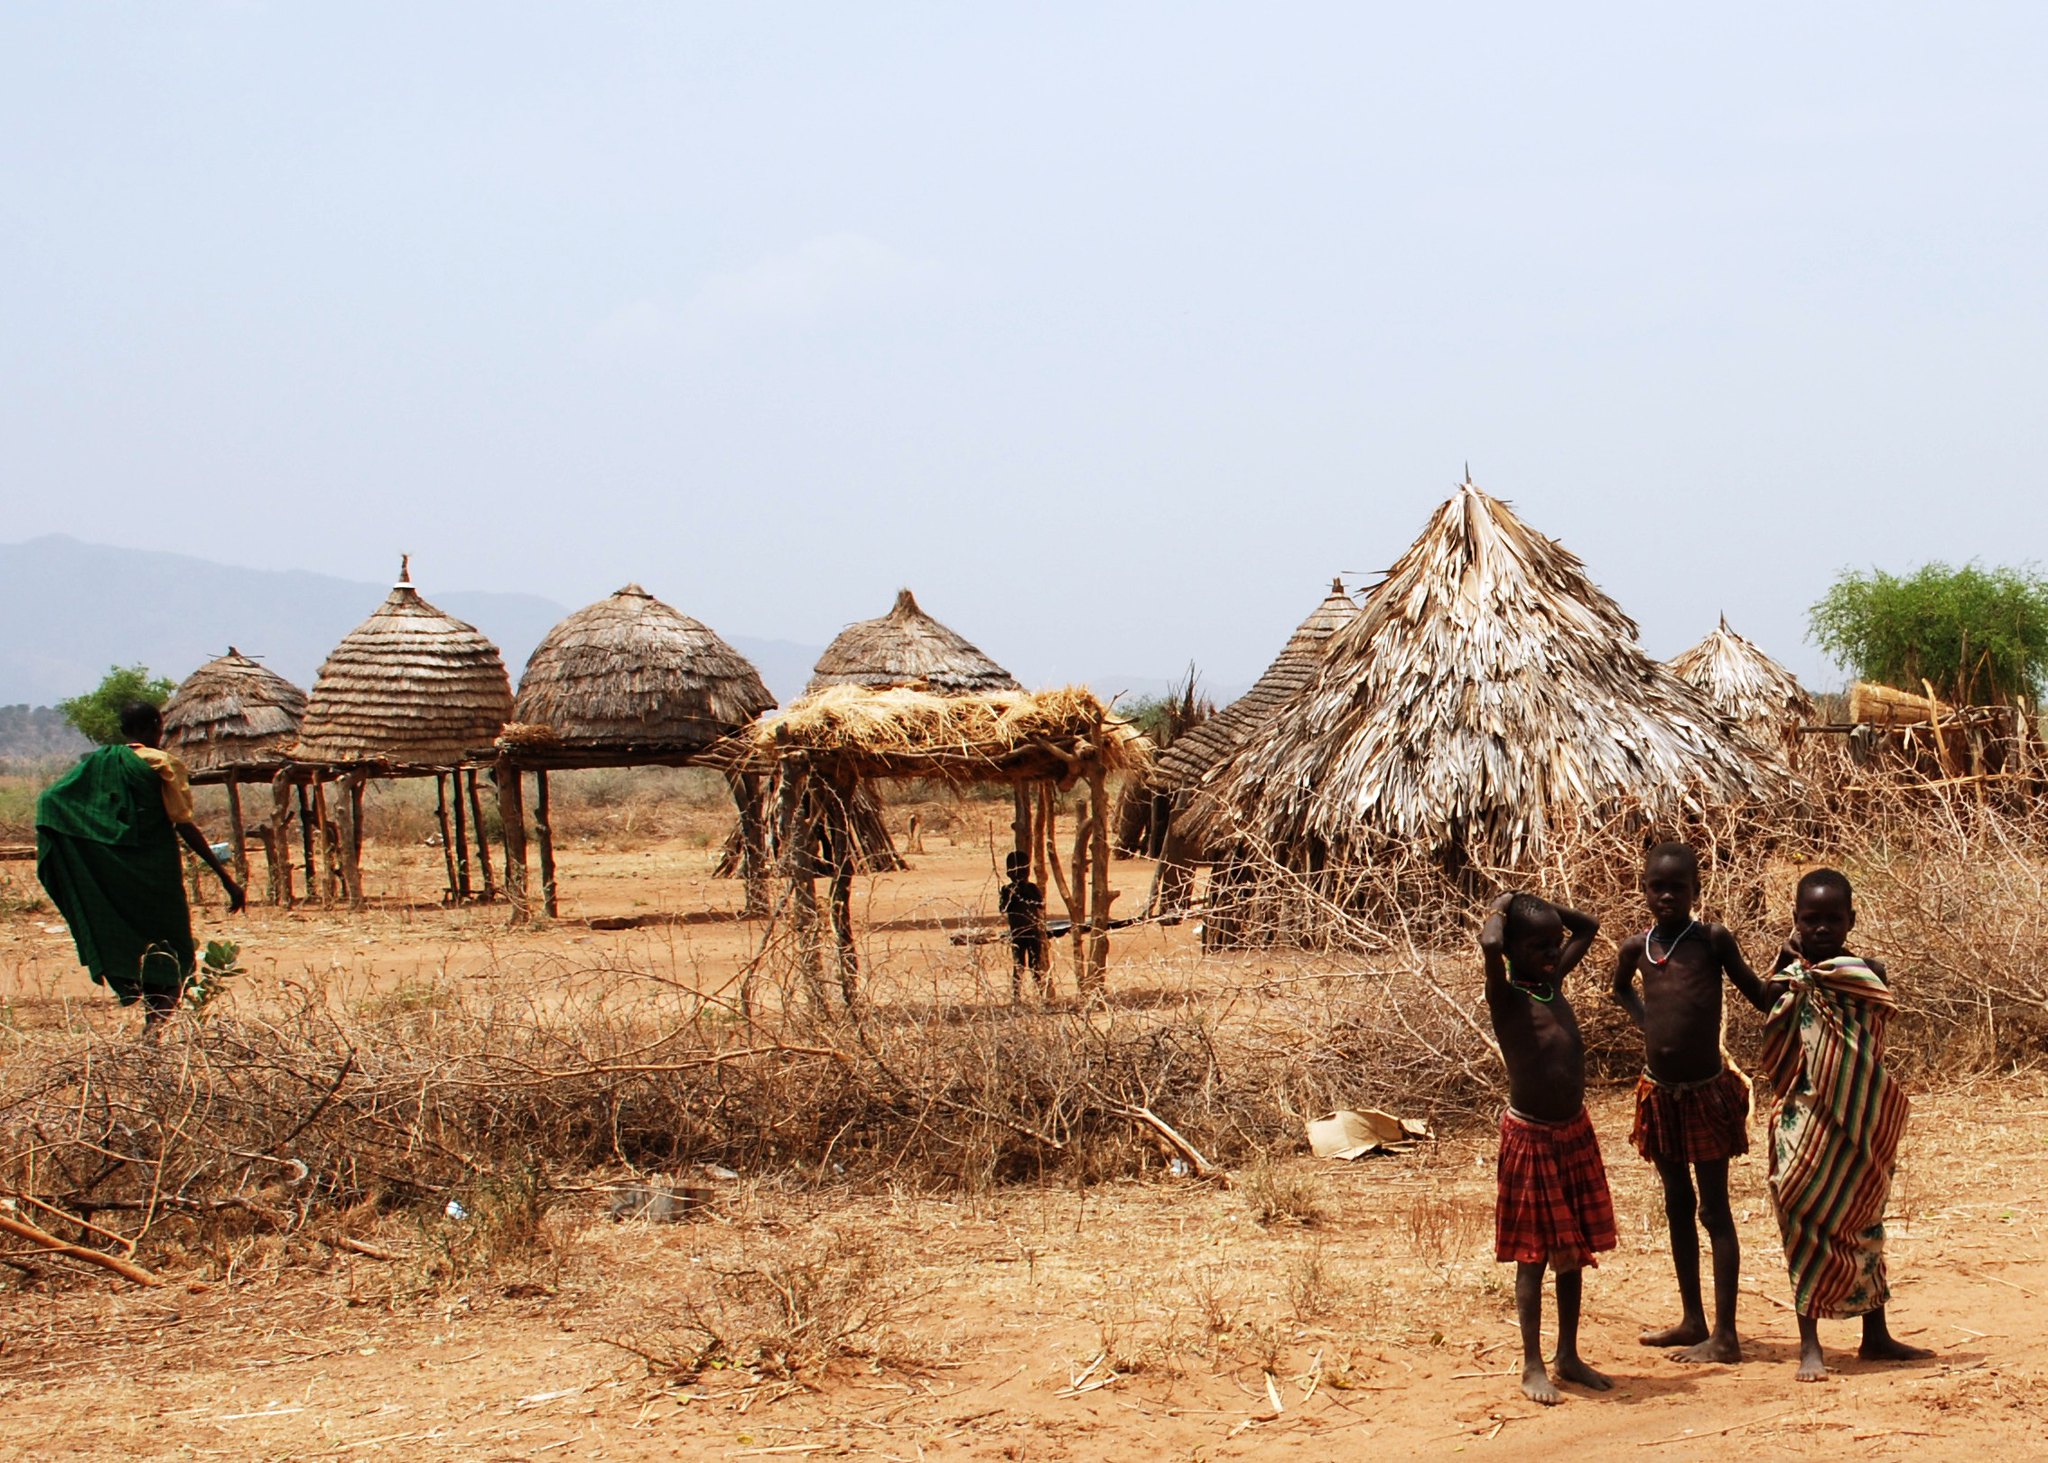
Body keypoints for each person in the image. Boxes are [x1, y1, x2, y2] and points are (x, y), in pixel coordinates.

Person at [1764, 867, 1932, 1382]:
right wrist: (1786, 971)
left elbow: (1871, 1039)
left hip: (1860, 1118)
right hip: (1804, 1115)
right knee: (1803, 1219)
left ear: (1851, 919)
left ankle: (1874, 1334)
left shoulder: (1866, 972)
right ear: (1795, 920)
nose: (1820, 928)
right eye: (1810, 919)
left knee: (1862, 1221)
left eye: (1831, 919)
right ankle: (1809, 1343)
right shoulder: (1787, 974)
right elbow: (1772, 1027)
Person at [1609, 841, 1773, 1363]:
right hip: (1661, 1094)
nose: (1666, 896)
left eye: (1678, 887)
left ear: (1695, 891)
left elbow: (1758, 993)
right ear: (1644, 888)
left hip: (1706, 1092)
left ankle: (1725, 1336)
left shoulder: (1712, 940)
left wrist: (1795, 967)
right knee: (1677, 1203)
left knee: (1714, 1208)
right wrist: (1650, 1025)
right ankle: (1692, 1319)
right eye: (1657, 886)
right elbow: (1621, 992)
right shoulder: (1637, 949)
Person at [1480, 890, 1614, 1405]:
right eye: (1537, 947)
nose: (1551, 954)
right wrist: (1502, 902)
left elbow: (1590, 925)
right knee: (1532, 1258)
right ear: (1513, 951)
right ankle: (1533, 1364)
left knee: (1572, 1255)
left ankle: (1568, 1355)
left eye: (1553, 945)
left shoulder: (1551, 982)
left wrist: (1536, 912)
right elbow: (1491, 941)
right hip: (1532, 1137)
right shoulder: (1507, 994)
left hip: (1572, 1132)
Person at [35, 701, 245, 1025]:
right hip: (157, 878)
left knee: (142, 950)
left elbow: (51, 802)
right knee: (173, 954)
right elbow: (184, 824)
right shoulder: (162, 764)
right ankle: (154, 1034)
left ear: (124, 731)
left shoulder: (99, 763)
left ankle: (152, 1034)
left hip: (120, 878)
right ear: (155, 726)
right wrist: (225, 878)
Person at [998, 850, 1047, 999]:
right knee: (1019, 965)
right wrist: (1012, 895)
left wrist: (1025, 892)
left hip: (1032, 932)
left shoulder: (1031, 888)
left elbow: (1040, 904)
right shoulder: (1007, 890)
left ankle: (1039, 995)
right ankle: (1016, 996)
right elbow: (1003, 908)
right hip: (1018, 933)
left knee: (1035, 965)